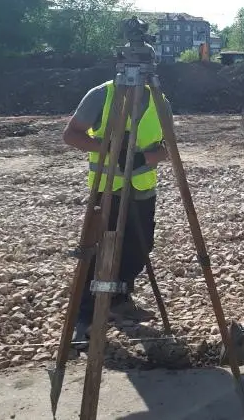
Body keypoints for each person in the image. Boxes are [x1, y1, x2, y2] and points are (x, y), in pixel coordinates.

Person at [62, 74, 171, 346]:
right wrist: (110, 149)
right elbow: (71, 135)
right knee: (96, 252)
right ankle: (84, 317)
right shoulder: (102, 95)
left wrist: (143, 157)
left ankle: (119, 299)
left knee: (140, 248)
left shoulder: (160, 101)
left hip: (143, 189)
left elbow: (167, 148)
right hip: (107, 189)